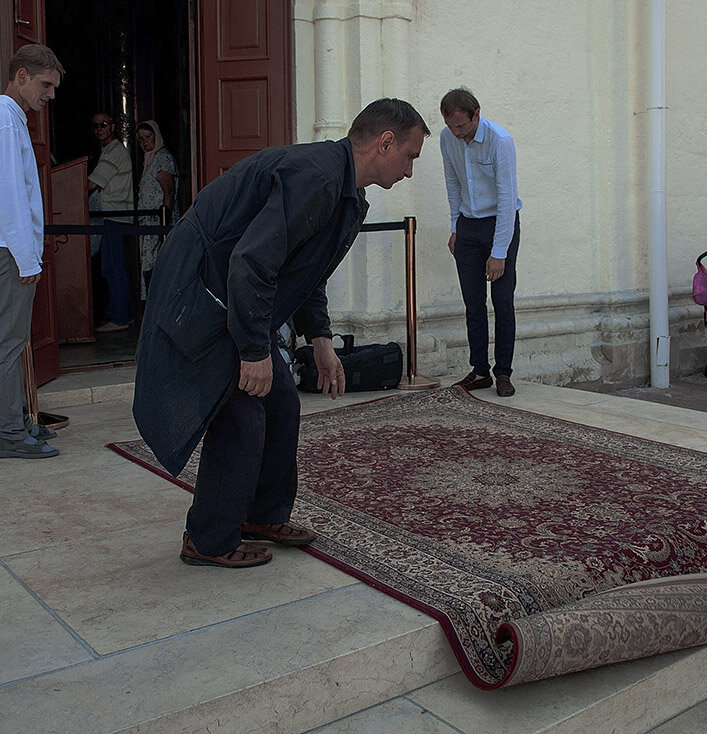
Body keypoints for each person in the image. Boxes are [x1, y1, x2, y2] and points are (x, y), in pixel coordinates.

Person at [133, 98, 429, 569]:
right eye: (411, 156)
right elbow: (251, 262)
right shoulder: (318, 176)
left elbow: (303, 268)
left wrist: (321, 339)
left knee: (282, 401)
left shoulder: (342, 189)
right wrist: (253, 351)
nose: (411, 171)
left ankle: (260, 516)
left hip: (235, 295)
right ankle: (207, 539)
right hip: (203, 292)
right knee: (242, 413)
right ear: (385, 141)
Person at [0, 44, 64, 459]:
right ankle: (9, 435)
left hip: (2, 245)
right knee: (7, 344)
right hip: (7, 248)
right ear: (21, 76)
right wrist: (28, 259)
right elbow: (9, 196)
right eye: (45, 85)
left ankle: (17, 423)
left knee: (11, 340)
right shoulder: (7, 122)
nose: (50, 95)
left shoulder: (2, 118)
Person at [439, 88, 522, 397]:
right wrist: (454, 227)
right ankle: (479, 371)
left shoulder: (500, 140)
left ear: (476, 114)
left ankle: (503, 372)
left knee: (502, 301)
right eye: (451, 127)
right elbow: (452, 183)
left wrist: (499, 252)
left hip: (500, 224)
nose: (456, 133)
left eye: (461, 126)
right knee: (473, 302)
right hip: (468, 227)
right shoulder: (447, 139)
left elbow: (506, 199)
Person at [89, 112, 135, 332]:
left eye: (103, 124)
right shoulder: (108, 150)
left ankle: (119, 318)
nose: (99, 129)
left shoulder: (114, 152)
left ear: (113, 126)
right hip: (112, 216)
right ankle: (126, 314)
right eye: (96, 126)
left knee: (113, 268)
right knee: (114, 266)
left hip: (113, 216)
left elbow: (92, 184)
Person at [134, 120, 180, 298]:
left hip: (159, 222)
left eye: (148, 137)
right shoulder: (150, 159)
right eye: (140, 139)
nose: (145, 142)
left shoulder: (162, 158)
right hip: (149, 223)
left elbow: (168, 191)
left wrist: (164, 224)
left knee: (157, 263)